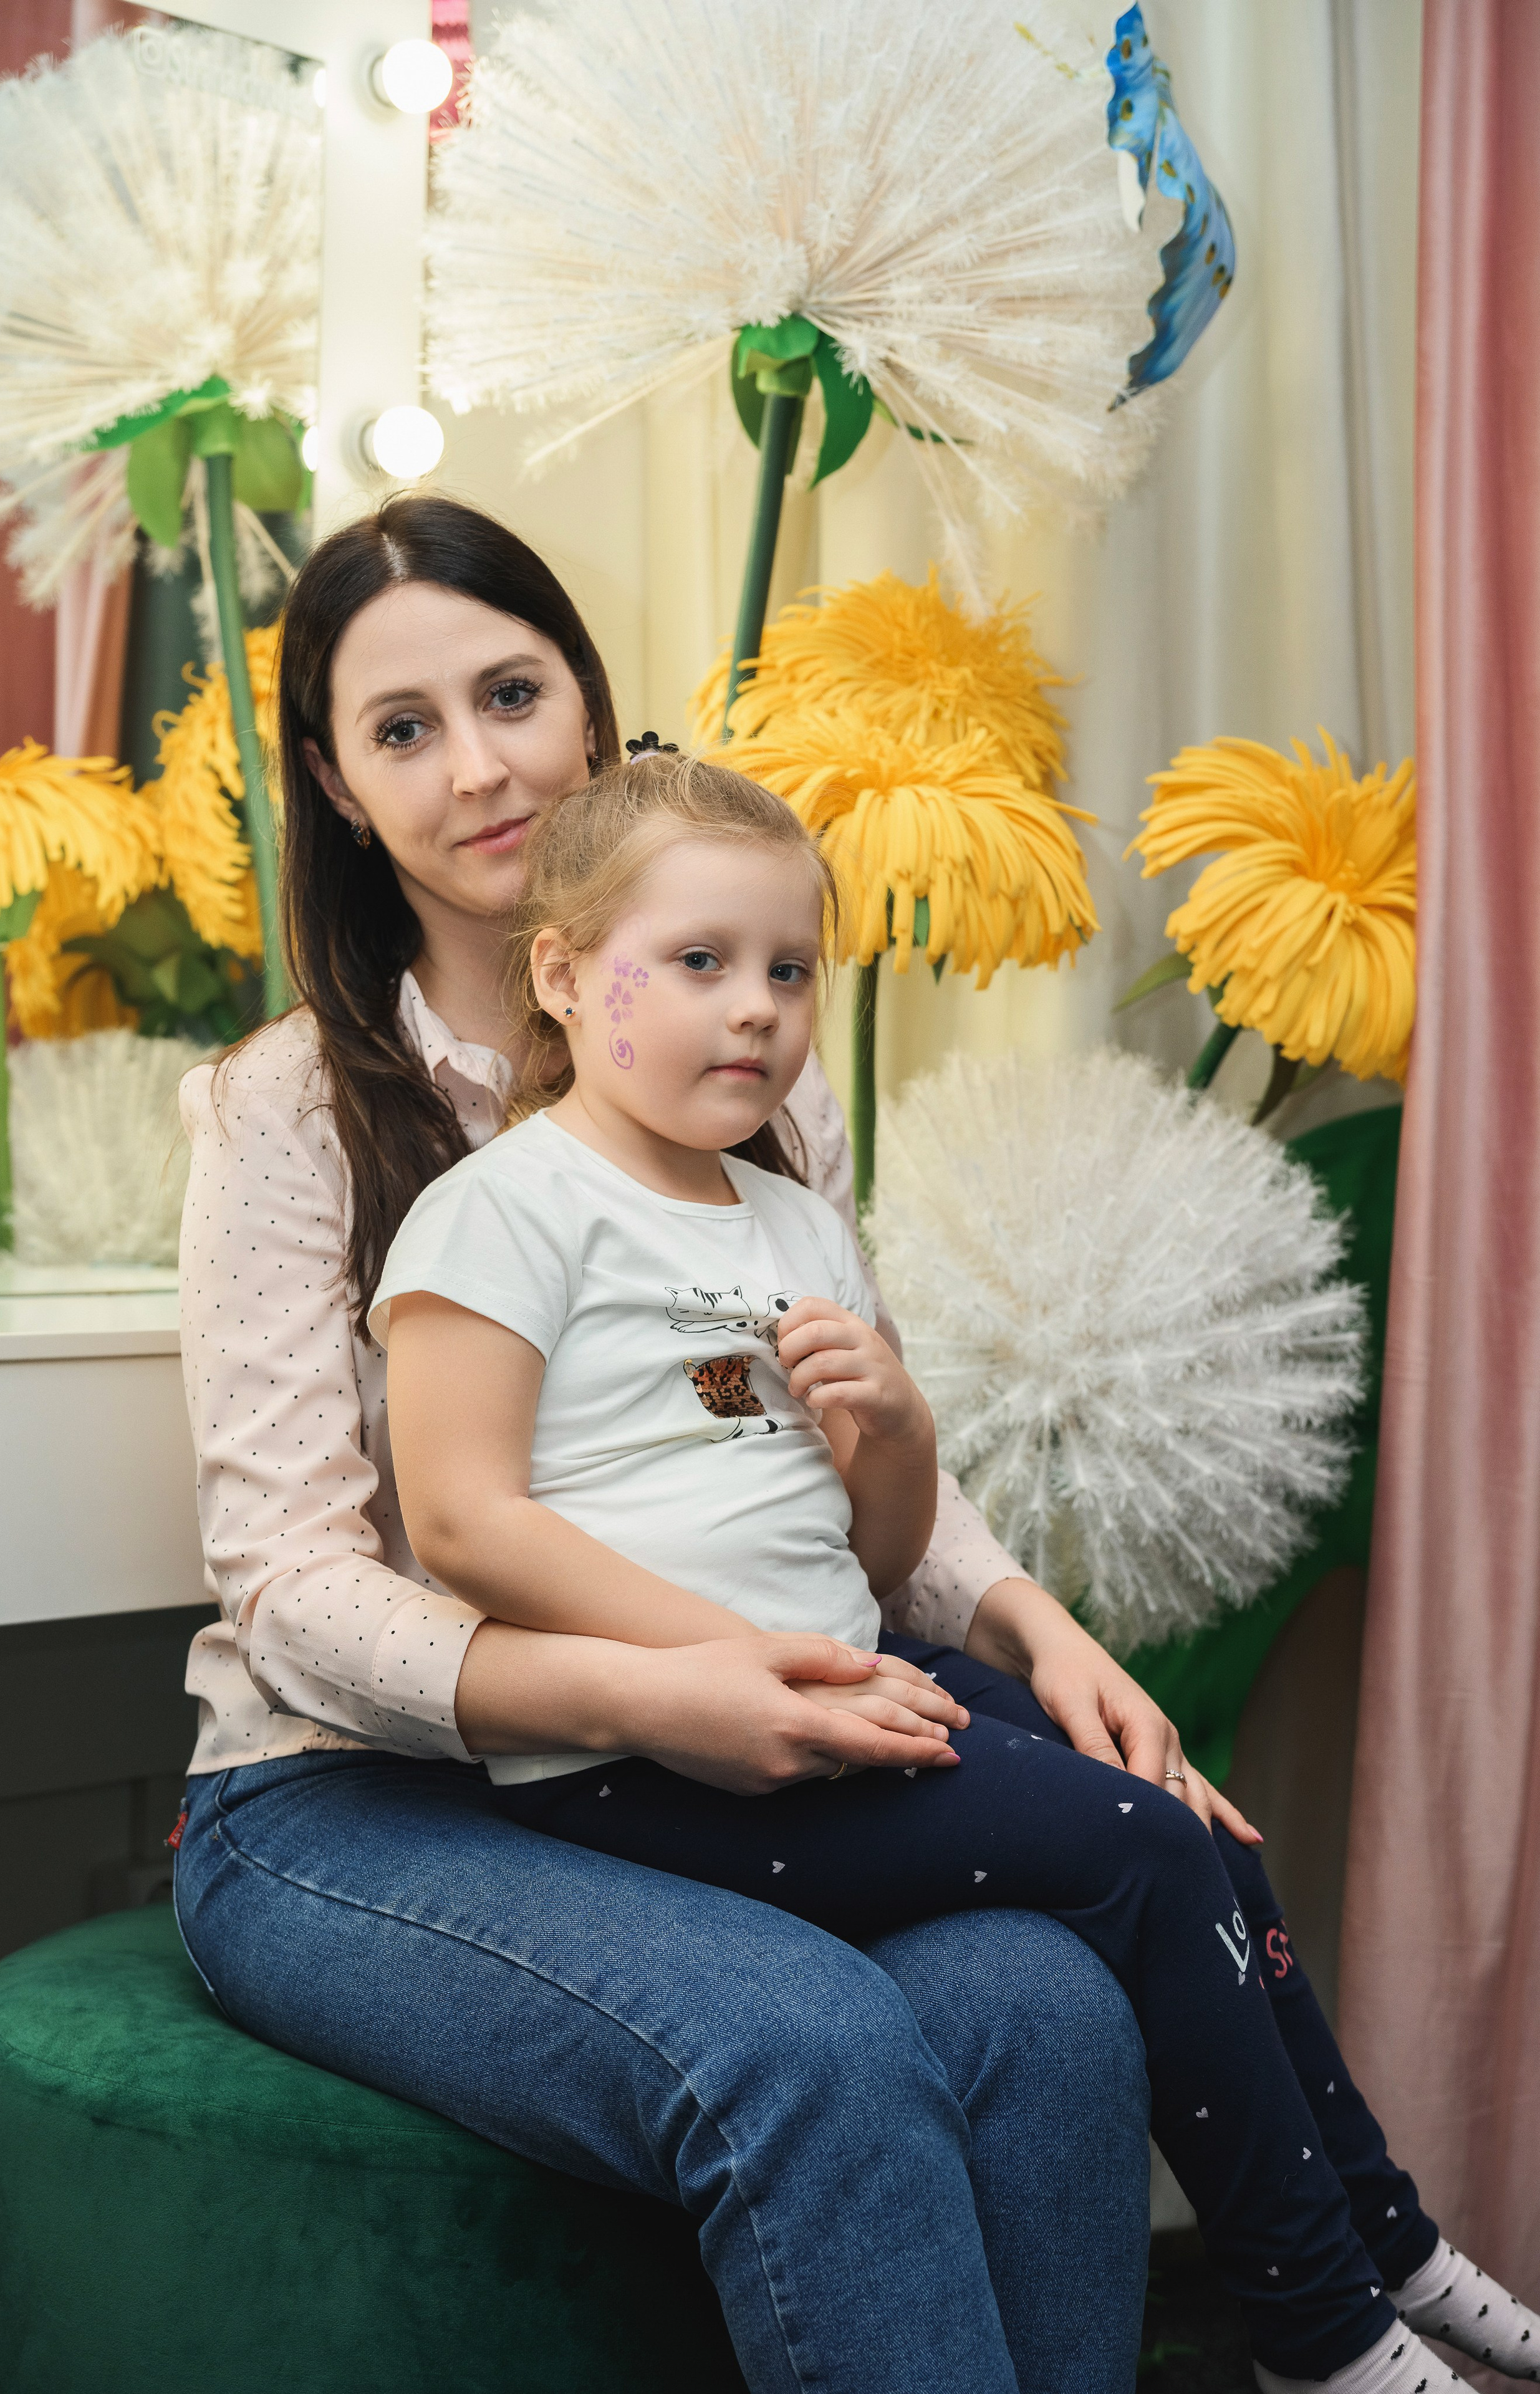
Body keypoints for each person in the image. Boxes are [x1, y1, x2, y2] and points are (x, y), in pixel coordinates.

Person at [173, 492, 1186, 2394]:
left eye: (511, 692)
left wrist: (1024, 1621)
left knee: (1051, 2009)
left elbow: (827, 1436)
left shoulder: (749, 1072)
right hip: (341, 1799)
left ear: (590, 707)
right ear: (335, 780)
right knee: (805, 2043)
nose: (476, 766)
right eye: (403, 729)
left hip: (680, 1749)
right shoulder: (287, 1107)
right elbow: (297, 1587)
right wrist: (651, 1694)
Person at [372, 746, 1540, 2394]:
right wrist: (721, 1663)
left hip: (835, 1675)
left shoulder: (793, 1227)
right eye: (699, 964)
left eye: (789, 969)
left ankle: (1383, 2233)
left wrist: (897, 1429)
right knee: (1137, 1847)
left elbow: (882, 1550)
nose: (758, 1009)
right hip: (643, 1754)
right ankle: (1321, 2327)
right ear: (562, 977)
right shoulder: (503, 1212)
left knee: (1166, 1780)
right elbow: (464, 1521)